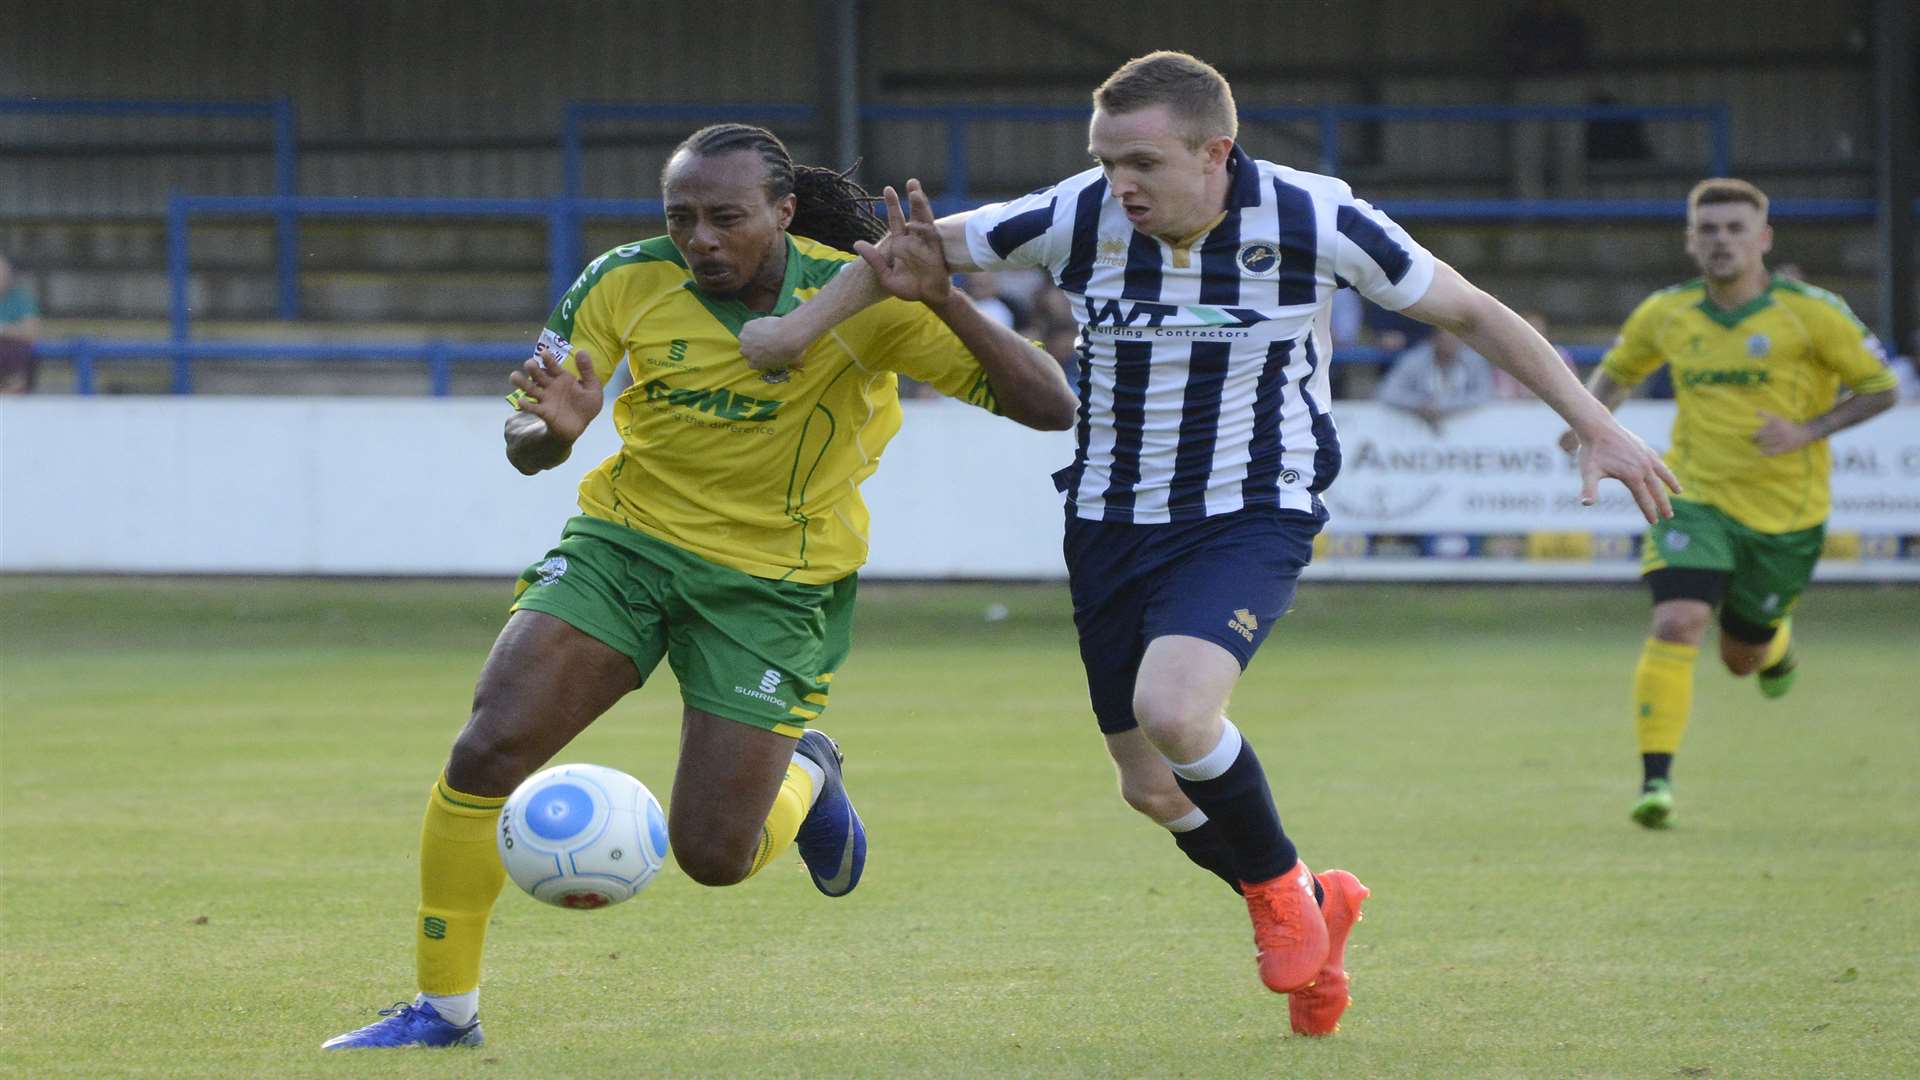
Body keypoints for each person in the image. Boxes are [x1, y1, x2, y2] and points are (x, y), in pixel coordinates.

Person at [743, 51, 1676, 1037]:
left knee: (1177, 712)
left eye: (1141, 162)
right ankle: (1318, 907)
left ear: (1215, 153)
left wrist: (1601, 424)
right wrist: (796, 331)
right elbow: (906, 257)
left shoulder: (1317, 219)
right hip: (1108, 519)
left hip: (1251, 508)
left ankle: (1278, 893)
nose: (1120, 184)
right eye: (1106, 162)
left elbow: (1475, 313)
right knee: (1149, 786)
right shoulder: (1078, 215)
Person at [323, 124, 1076, 1051]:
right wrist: (552, 433)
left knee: (715, 858)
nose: (700, 239)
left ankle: (808, 770)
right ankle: (443, 1010)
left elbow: (1052, 406)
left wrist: (947, 303)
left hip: (772, 584)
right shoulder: (623, 280)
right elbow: (525, 445)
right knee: (486, 750)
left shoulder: (861, 300)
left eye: (725, 217)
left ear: (784, 212)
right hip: (626, 547)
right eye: (681, 218)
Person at [1557, 178, 1898, 830]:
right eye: (1708, 229)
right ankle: (1656, 784)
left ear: (1762, 239)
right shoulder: (1667, 312)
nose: (1721, 240)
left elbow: (1880, 390)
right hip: (1693, 497)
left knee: (1740, 658)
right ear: (1690, 240)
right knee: (1679, 619)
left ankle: (1774, 645)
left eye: (1735, 228)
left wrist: (1806, 431)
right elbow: (1621, 371)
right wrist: (1586, 422)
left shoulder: (1812, 312)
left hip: (1785, 516)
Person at [1377, 327, 1496, 430]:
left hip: (1468, 430)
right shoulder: (1413, 360)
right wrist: (1419, 404)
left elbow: (1484, 394)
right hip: (1415, 431)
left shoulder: (1474, 361)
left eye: (1455, 338)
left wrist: (1443, 407)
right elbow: (1388, 392)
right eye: (1445, 339)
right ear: (1434, 339)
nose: (1450, 344)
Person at [0, 253, 42, 395]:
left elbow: (31, 332)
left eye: (3, 270)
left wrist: (2, 329)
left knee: (19, 349)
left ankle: (10, 389)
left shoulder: (21, 298)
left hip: (14, 358)